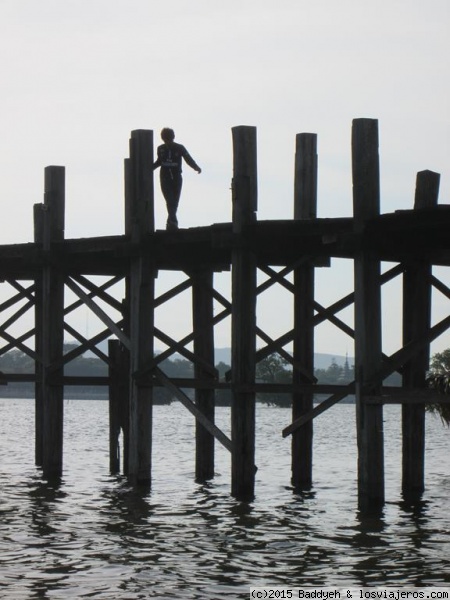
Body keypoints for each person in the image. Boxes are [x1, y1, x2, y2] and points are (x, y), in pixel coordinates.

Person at [153, 128, 201, 230]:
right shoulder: (160, 148)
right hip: (165, 176)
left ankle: (171, 222)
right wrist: (149, 168)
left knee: (174, 201)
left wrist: (195, 166)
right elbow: (159, 161)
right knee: (170, 200)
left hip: (176, 176)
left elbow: (188, 159)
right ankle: (172, 222)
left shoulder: (179, 148)